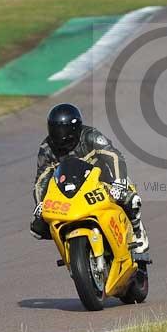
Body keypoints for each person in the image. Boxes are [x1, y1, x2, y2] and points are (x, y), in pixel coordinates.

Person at [29, 103, 148, 254]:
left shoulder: (90, 136)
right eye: (56, 130)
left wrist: (119, 183)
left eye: (64, 130)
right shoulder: (47, 148)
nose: (61, 136)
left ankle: (137, 229)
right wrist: (40, 204)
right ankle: (71, 250)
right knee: (38, 227)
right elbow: (41, 178)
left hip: (103, 182)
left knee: (131, 199)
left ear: (75, 128)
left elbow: (114, 156)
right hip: (70, 192)